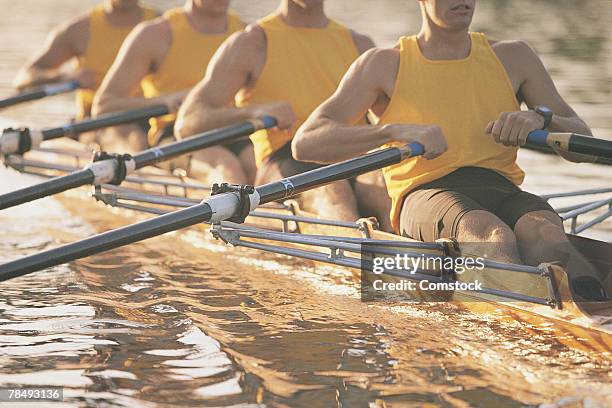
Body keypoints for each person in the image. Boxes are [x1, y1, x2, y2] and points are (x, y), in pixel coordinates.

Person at [293, 0, 606, 300]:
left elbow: (583, 144)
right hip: (425, 192)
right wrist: (394, 130)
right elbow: (306, 142)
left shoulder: (514, 57)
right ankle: (529, 315)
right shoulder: (384, 64)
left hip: (499, 186)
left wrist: (540, 117)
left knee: (549, 237)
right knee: (493, 237)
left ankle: (559, 311)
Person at [175, 0, 392, 226]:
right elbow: (187, 122)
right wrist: (255, 111)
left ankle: (407, 257)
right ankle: (356, 254)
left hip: (351, 153)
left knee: (383, 188)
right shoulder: (253, 43)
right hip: (285, 158)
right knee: (331, 190)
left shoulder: (359, 44)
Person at [93, 0, 247, 170]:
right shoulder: (155, 34)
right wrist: (165, 101)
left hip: (233, 127)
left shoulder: (248, 37)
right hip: (173, 133)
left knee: (254, 165)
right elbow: (104, 105)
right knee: (226, 165)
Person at [13, 0, 157, 120]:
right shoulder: (80, 30)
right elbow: (23, 77)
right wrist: (66, 76)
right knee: (128, 134)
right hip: (100, 120)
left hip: (155, 113)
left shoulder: (162, 25)